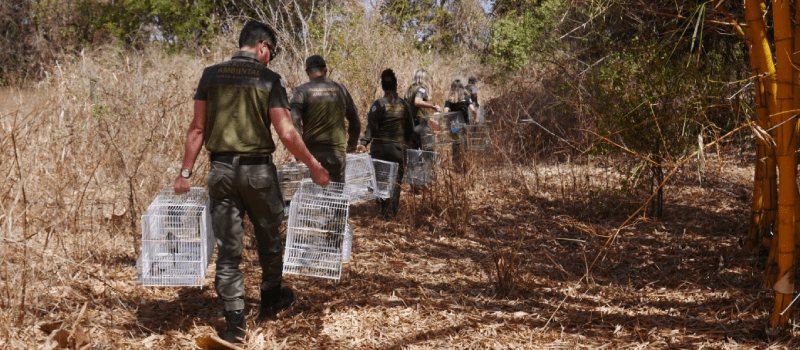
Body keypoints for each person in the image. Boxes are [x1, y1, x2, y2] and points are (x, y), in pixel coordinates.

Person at [174, 20, 329, 344]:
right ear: (261, 45)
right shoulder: (268, 79)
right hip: (258, 172)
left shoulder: (210, 75)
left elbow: (197, 130)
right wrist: (313, 165)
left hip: (221, 173)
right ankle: (271, 299)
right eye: (270, 51)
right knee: (269, 238)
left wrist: (185, 173)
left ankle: (234, 323)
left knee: (228, 251)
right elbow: (286, 132)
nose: (269, 57)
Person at [290, 55, 361, 182]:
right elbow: (355, 120)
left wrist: (296, 148)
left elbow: (293, 120)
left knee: (314, 197)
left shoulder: (301, 91)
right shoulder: (340, 89)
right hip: (337, 153)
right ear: (325, 70)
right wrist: (352, 144)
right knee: (336, 198)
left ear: (307, 72)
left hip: (311, 154)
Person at [357, 69, 415, 221]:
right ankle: (391, 212)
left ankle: (383, 209)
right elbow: (410, 127)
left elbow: (371, 126)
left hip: (380, 149)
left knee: (381, 179)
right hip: (397, 149)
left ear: (383, 87)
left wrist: (364, 143)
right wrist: (409, 143)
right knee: (395, 181)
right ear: (396, 86)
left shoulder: (378, 104)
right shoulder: (404, 105)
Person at [443, 79, 477, 170]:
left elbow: (445, 112)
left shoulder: (449, 100)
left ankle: (456, 164)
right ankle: (465, 164)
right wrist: (476, 119)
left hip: (454, 128)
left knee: (455, 144)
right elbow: (473, 110)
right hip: (464, 126)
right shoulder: (466, 98)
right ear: (462, 88)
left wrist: (448, 122)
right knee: (465, 144)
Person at [405, 69, 441, 150]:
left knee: (413, 151)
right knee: (428, 150)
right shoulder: (421, 89)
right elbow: (417, 102)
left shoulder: (410, 89)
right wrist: (433, 106)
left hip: (410, 124)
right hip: (420, 124)